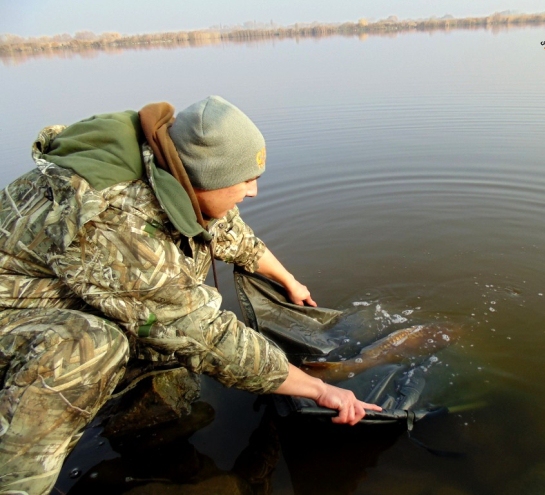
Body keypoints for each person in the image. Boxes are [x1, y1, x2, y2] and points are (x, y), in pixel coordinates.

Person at [0, 96, 381, 495]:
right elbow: (204, 333)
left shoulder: (170, 170)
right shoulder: (114, 220)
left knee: (161, 323)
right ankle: (18, 484)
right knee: (89, 346)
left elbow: (230, 233)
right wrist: (320, 389)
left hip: (64, 296)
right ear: (200, 179)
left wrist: (289, 281)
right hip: (21, 320)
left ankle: (140, 426)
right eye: (245, 181)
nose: (253, 192)